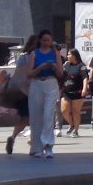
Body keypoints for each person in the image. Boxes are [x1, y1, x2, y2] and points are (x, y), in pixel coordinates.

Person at [26, 30, 64, 159]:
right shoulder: (34, 53)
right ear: (40, 40)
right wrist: (41, 67)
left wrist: (53, 67)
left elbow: (60, 73)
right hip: (36, 84)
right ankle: (37, 147)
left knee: (48, 114)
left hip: (51, 83)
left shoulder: (55, 53)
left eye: (49, 40)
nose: (46, 42)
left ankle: (48, 145)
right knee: (36, 116)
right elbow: (29, 74)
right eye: (44, 40)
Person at [60, 48, 88, 138]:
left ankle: (76, 131)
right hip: (66, 91)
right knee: (64, 110)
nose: (67, 56)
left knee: (76, 111)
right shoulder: (66, 64)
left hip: (77, 92)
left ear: (74, 56)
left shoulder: (81, 66)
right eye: (68, 54)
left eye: (69, 54)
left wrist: (84, 88)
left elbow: (85, 78)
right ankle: (71, 124)